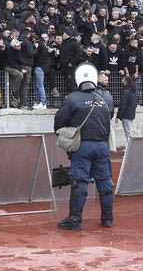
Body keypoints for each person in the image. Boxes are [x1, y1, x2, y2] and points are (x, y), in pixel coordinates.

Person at [53, 63, 116, 230]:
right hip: (102, 144)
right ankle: (107, 218)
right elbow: (109, 116)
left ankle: (75, 219)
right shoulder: (106, 98)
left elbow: (59, 121)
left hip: (82, 145)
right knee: (104, 181)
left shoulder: (73, 98)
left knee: (80, 181)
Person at [116, 73, 137, 148]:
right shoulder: (134, 91)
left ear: (126, 81)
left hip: (126, 115)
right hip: (131, 114)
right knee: (129, 132)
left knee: (128, 134)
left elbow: (122, 105)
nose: (121, 80)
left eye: (123, 79)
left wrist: (118, 116)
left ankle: (129, 150)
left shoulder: (125, 92)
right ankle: (129, 149)